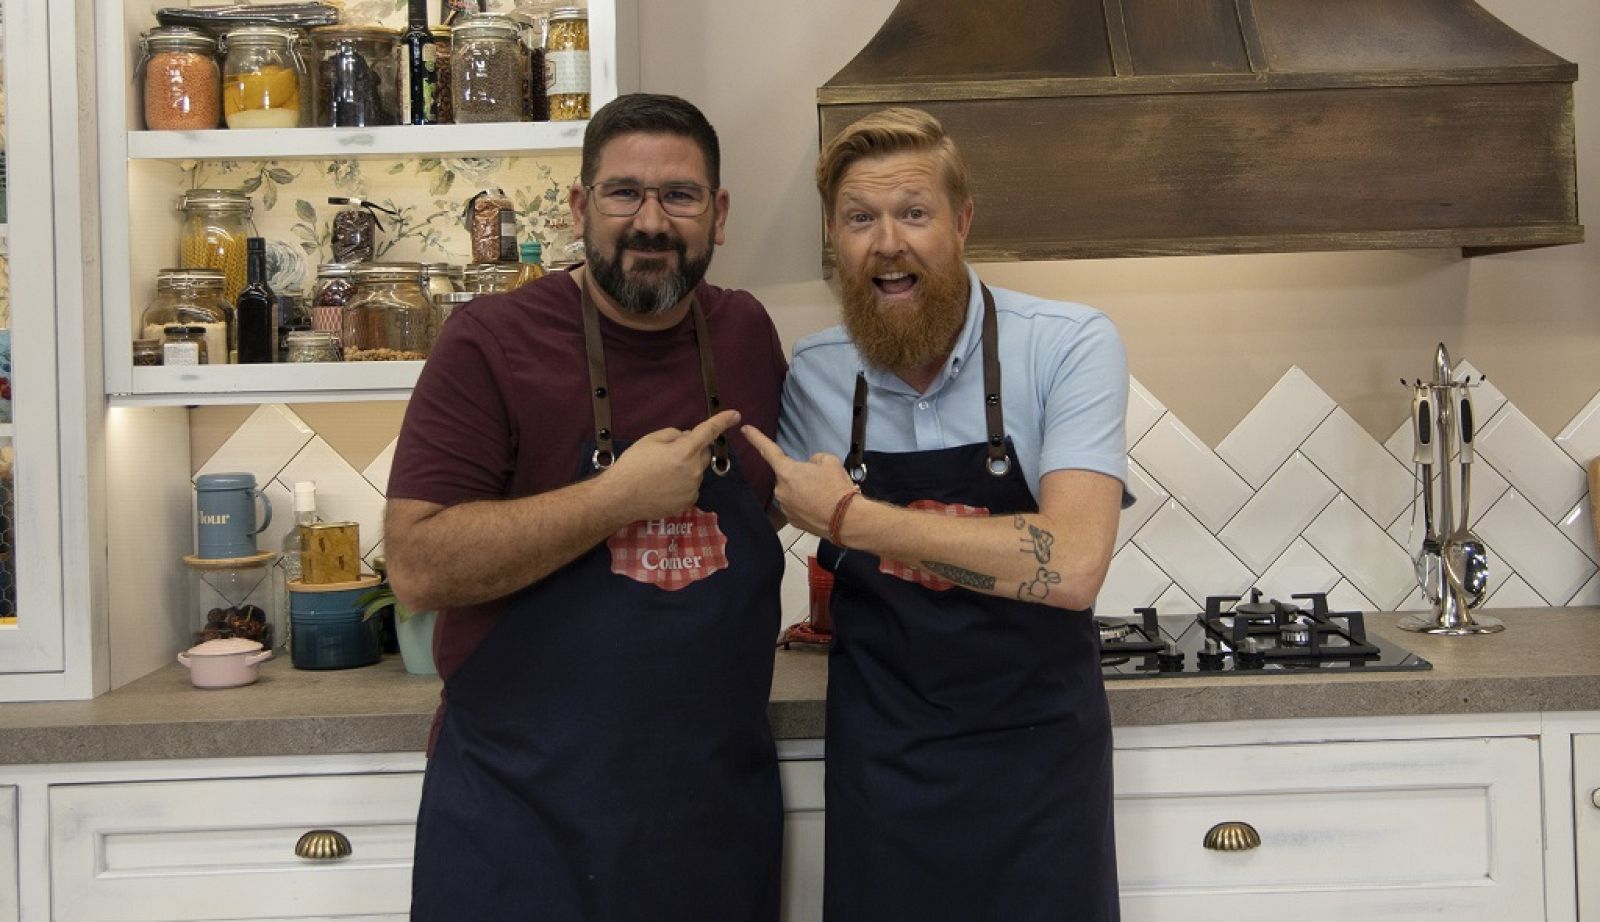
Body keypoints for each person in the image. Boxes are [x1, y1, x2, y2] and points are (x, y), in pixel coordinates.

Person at [385, 93, 788, 921]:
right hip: (520, 819)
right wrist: (616, 499)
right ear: (580, 206)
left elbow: (765, 512)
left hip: (711, 816)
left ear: (717, 213)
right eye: (622, 193)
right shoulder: (489, 342)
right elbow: (417, 567)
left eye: (678, 196)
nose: (650, 222)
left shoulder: (746, 333)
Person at [742, 107, 1131, 921]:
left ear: (961, 223)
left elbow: (1074, 565)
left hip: (1040, 766)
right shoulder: (811, 377)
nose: (888, 242)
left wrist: (850, 518)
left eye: (914, 213)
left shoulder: (1067, 345)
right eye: (860, 218)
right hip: (884, 766)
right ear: (833, 238)